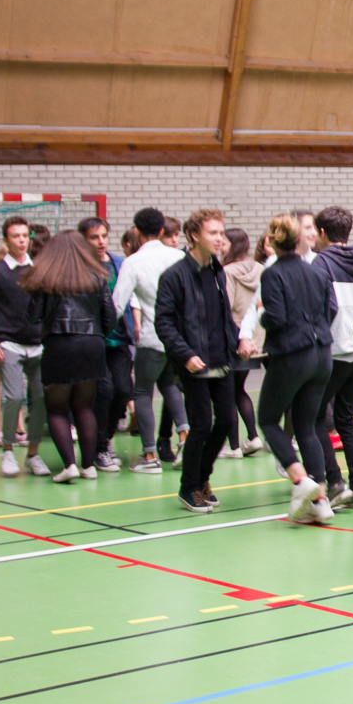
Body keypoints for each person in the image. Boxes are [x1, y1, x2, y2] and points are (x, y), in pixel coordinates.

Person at [154, 210, 247, 512]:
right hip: (193, 364)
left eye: (221, 233)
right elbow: (164, 323)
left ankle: (202, 477)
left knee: (227, 421)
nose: (220, 239)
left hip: (221, 360)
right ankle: (187, 487)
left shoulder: (218, 271)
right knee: (201, 424)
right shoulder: (174, 276)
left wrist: (239, 340)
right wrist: (185, 354)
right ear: (194, 236)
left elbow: (223, 317)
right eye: (213, 233)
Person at [257, 213, 336, 524]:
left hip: (293, 355)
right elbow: (331, 309)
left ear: (272, 241)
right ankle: (321, 500)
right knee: (306, 426)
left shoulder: (272, 274)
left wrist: (261, 315)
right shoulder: (317, 272)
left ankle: (299, 478)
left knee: (268, 419)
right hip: (322, 355)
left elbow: (275, 318)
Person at [22, 231, 117, 484]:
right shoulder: (97, 276)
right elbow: (110, 316)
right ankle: (88, 466)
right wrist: (96, 334)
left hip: (59, 343)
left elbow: (32, 316)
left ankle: (69, 466)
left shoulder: (46, 278)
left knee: (57, 409)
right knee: (84, 406)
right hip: (92, 343)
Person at [310, 206, 353, 511]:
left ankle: (335, 483)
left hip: (333, 353)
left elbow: (324, 309)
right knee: (345, 419)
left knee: (314, 418)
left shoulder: (321, 262)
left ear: (322, 233)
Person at [113, 208, 187, 474]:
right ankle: (184, 437)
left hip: (152, 338)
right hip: (178, 339)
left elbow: (117, 304)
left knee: (142, 392)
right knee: (169, 384)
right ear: (161, 230)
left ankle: (149, 456)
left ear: (137, 231)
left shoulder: (133, 262)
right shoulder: (180, 257)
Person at [0, 218, 50, 478]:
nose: (21, 240)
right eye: (15, 236)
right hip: (8, 344)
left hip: (38, 346)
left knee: (41, 399)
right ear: (5, 240)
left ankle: (33, 454)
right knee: (14, 397)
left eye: (24, 235)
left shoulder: (38, 270)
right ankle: (7, 448)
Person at [79, 216, 131, 472]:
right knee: (103, 392)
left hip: (118, 339)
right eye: (94, 237)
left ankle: (106, 439)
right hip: (92, 341)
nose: (100, 241)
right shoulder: (80, 267)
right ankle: (99, 448)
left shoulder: (119, 264)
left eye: (103, 236)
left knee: (123, 389)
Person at [221, 230, 270, 460]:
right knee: (239, 388)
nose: (220, 246)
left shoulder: (227, 271)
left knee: (230, 391)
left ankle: (233, 446)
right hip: (258, 337)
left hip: (236, 338)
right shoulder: (261, 269)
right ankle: (254, 437)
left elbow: (226, 306)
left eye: (224, 242)